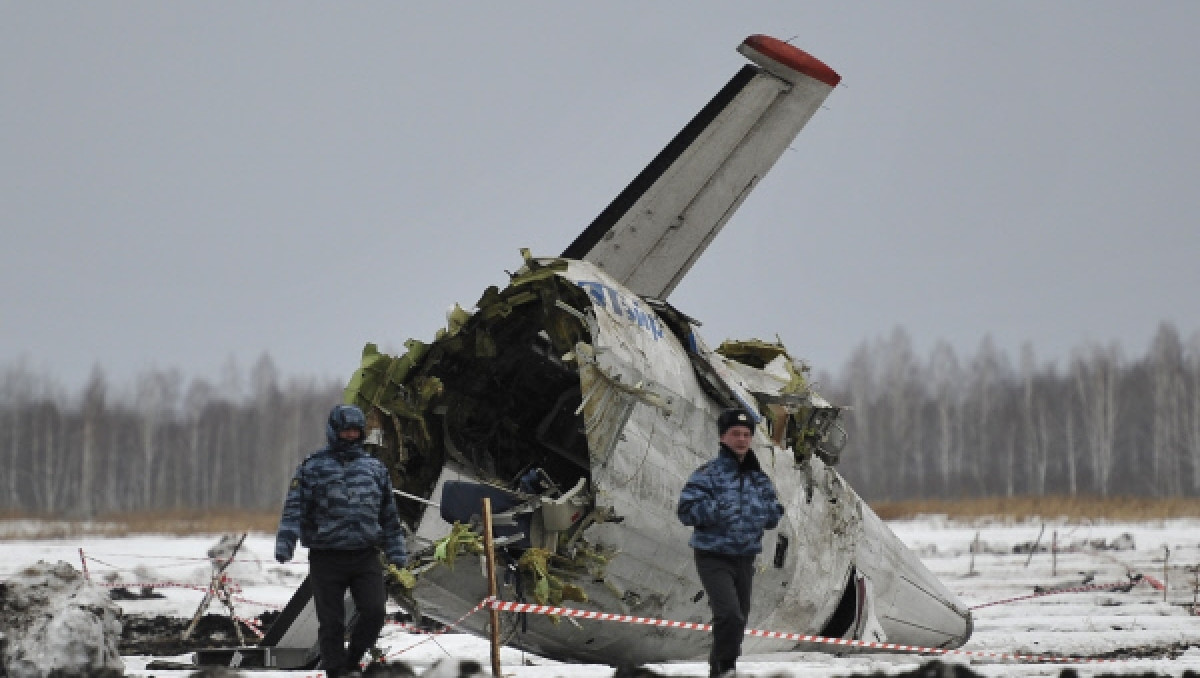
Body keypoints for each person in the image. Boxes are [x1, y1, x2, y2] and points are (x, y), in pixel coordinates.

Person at [275, 404, 408, 678]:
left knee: (374, 612)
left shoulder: (375, 469)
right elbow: (294, 510)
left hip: (365, 555)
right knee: (331, 622)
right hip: (327, 557)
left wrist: (397, 554)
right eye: (345, 430)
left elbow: (389, 517)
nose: (350, 435)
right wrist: (285, 542)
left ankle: (352, 660)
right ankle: (335, 671)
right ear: (334, 431)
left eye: (355, 431)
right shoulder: (312, 467)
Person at [677, 408, 784, 678]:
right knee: (729, 615)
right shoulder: (707, 475)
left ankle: (720, 668)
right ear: (723, 437)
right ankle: (726, 668)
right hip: (713, 556)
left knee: (739, 620)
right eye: (735, 434)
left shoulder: (759, 479)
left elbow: (774, 515)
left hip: (744, 557)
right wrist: (720, 509)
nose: (742, 439)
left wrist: (761, 512)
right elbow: (686, 511)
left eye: (747, 435)